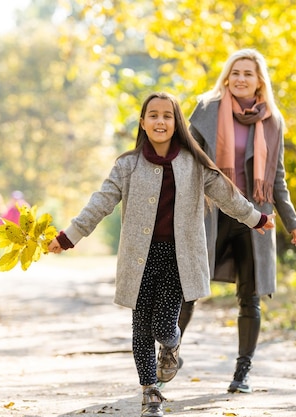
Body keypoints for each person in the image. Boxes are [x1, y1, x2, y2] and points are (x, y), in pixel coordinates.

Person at [47, 92, 275, 417]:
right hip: (138, 259)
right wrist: (68, 237)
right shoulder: (127, 165)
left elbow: (228, 195)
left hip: (179, 259)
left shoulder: (194, 164)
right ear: (143, 122)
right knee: (140, 327)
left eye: (167, 116)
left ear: (176, 123)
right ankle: (149, 392)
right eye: (153, 115)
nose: (160, 121)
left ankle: (171, 346)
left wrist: (257, 219)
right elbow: (100, 202)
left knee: (164, 325)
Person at [178, 49, 296, 394]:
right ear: (227, 76)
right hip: (211, 211)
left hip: (255, 218)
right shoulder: (206, 109)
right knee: (190, 286)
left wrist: (290, 219)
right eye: (235, 72)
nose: (240, 78)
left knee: (249, 297)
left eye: (248, 73)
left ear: (259, 80)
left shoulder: (272, 122)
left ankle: (242, 372)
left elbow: (276, 176)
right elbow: (186, 162)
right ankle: (169, 352)